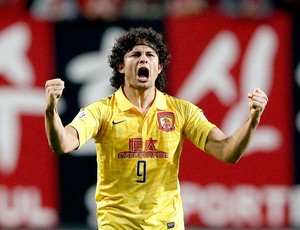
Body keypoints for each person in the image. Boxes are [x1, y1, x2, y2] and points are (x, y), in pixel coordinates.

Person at [44, 27, 268, 229]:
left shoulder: (181, 111)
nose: (144, 59)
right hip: (117, 224)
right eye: (135, 54)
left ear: (159, 67)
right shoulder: (102, 111)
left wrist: (252, 120)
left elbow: (227, 152)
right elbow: (63, 143)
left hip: (165, 224)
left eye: (150, 55)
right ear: (121, 66)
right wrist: (50, 111)